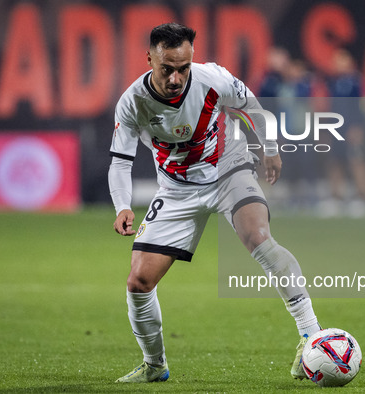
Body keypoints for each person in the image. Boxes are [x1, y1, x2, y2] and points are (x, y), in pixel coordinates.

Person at [108, 23, 321, 383]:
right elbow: (119, 161)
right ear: (149, 60)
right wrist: (122, 206)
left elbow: (252, 106)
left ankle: (311, 337)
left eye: (183, 68)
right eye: (167, 69)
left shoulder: (213, 79)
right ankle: (154, 365)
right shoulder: (132, 102)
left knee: (258, 238)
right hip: (176, 188)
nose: (176, 78)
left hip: (228, 169)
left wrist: (269, 149)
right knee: (138, 282)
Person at [324, 49, 365, 217]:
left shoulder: (355, 82)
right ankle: (336, 197)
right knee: (335, 162)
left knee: (357, 161)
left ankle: (363, 197)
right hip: (336, 128)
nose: (337, 64)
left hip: (352, 129)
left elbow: (361, 106)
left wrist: (358, 126)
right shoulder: (333, 82)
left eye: (341, 60)